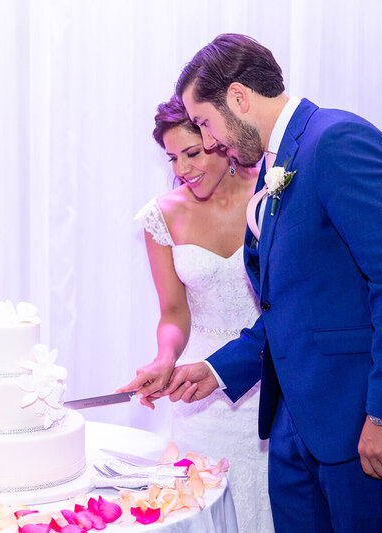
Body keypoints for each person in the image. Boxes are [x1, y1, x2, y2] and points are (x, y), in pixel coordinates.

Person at [163, 34, 382, 532]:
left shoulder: (337, 140)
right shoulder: (274, 166)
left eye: (205, 122)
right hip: (296, 424)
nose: (210, 140)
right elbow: (290, 303)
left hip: (363, 422)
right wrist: (218, 369)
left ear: (238, 97)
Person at [118, 95, 274, 533]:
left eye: (192, 152)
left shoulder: (269, 197)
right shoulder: (162, 216)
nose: (183, 168)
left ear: (220, 140)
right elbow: (172, 310)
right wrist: (165, 357)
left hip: (270, 375)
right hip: (198, 391)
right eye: (172, 157)